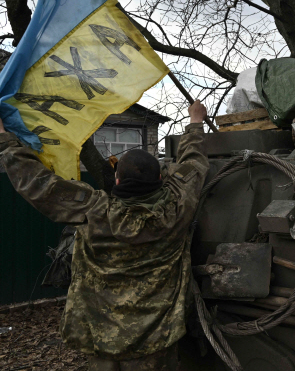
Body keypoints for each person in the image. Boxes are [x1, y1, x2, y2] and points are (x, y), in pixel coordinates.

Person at [0, 100, 210, 371]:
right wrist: (195, 121)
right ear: (160, 179)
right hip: (156, 342)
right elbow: (193, 163)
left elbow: (38, 184)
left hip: (100, 339)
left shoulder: (93, 211)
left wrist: (4, 138)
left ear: (118, 181)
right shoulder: (177, 207)